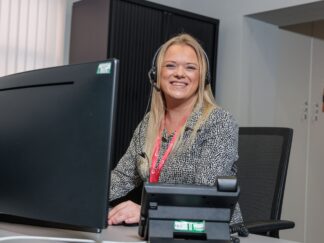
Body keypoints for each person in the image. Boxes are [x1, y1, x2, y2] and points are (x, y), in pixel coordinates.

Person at [108, 33, 243, 226]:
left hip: (208, 229)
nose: (179, 73)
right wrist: (84, 196)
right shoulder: (149, 123)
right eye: (170, 65)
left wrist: (146, 211)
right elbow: (122, 177)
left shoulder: (219, 122)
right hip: (159, 228)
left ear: (202, 78)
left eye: (190, 68)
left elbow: (206, 193)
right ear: (155, 75)